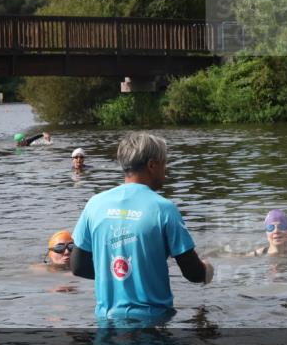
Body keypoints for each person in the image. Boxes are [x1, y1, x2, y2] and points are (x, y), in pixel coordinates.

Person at [70, 132, 214, 322]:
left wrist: (118, 276)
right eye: (164, 163)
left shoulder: (94, 204)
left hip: (107, 322)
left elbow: (78, 266)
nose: (165, 170)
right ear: (152, 165)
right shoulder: (164, 209)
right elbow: (193, 272)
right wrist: (208, 270)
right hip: (152, 323)